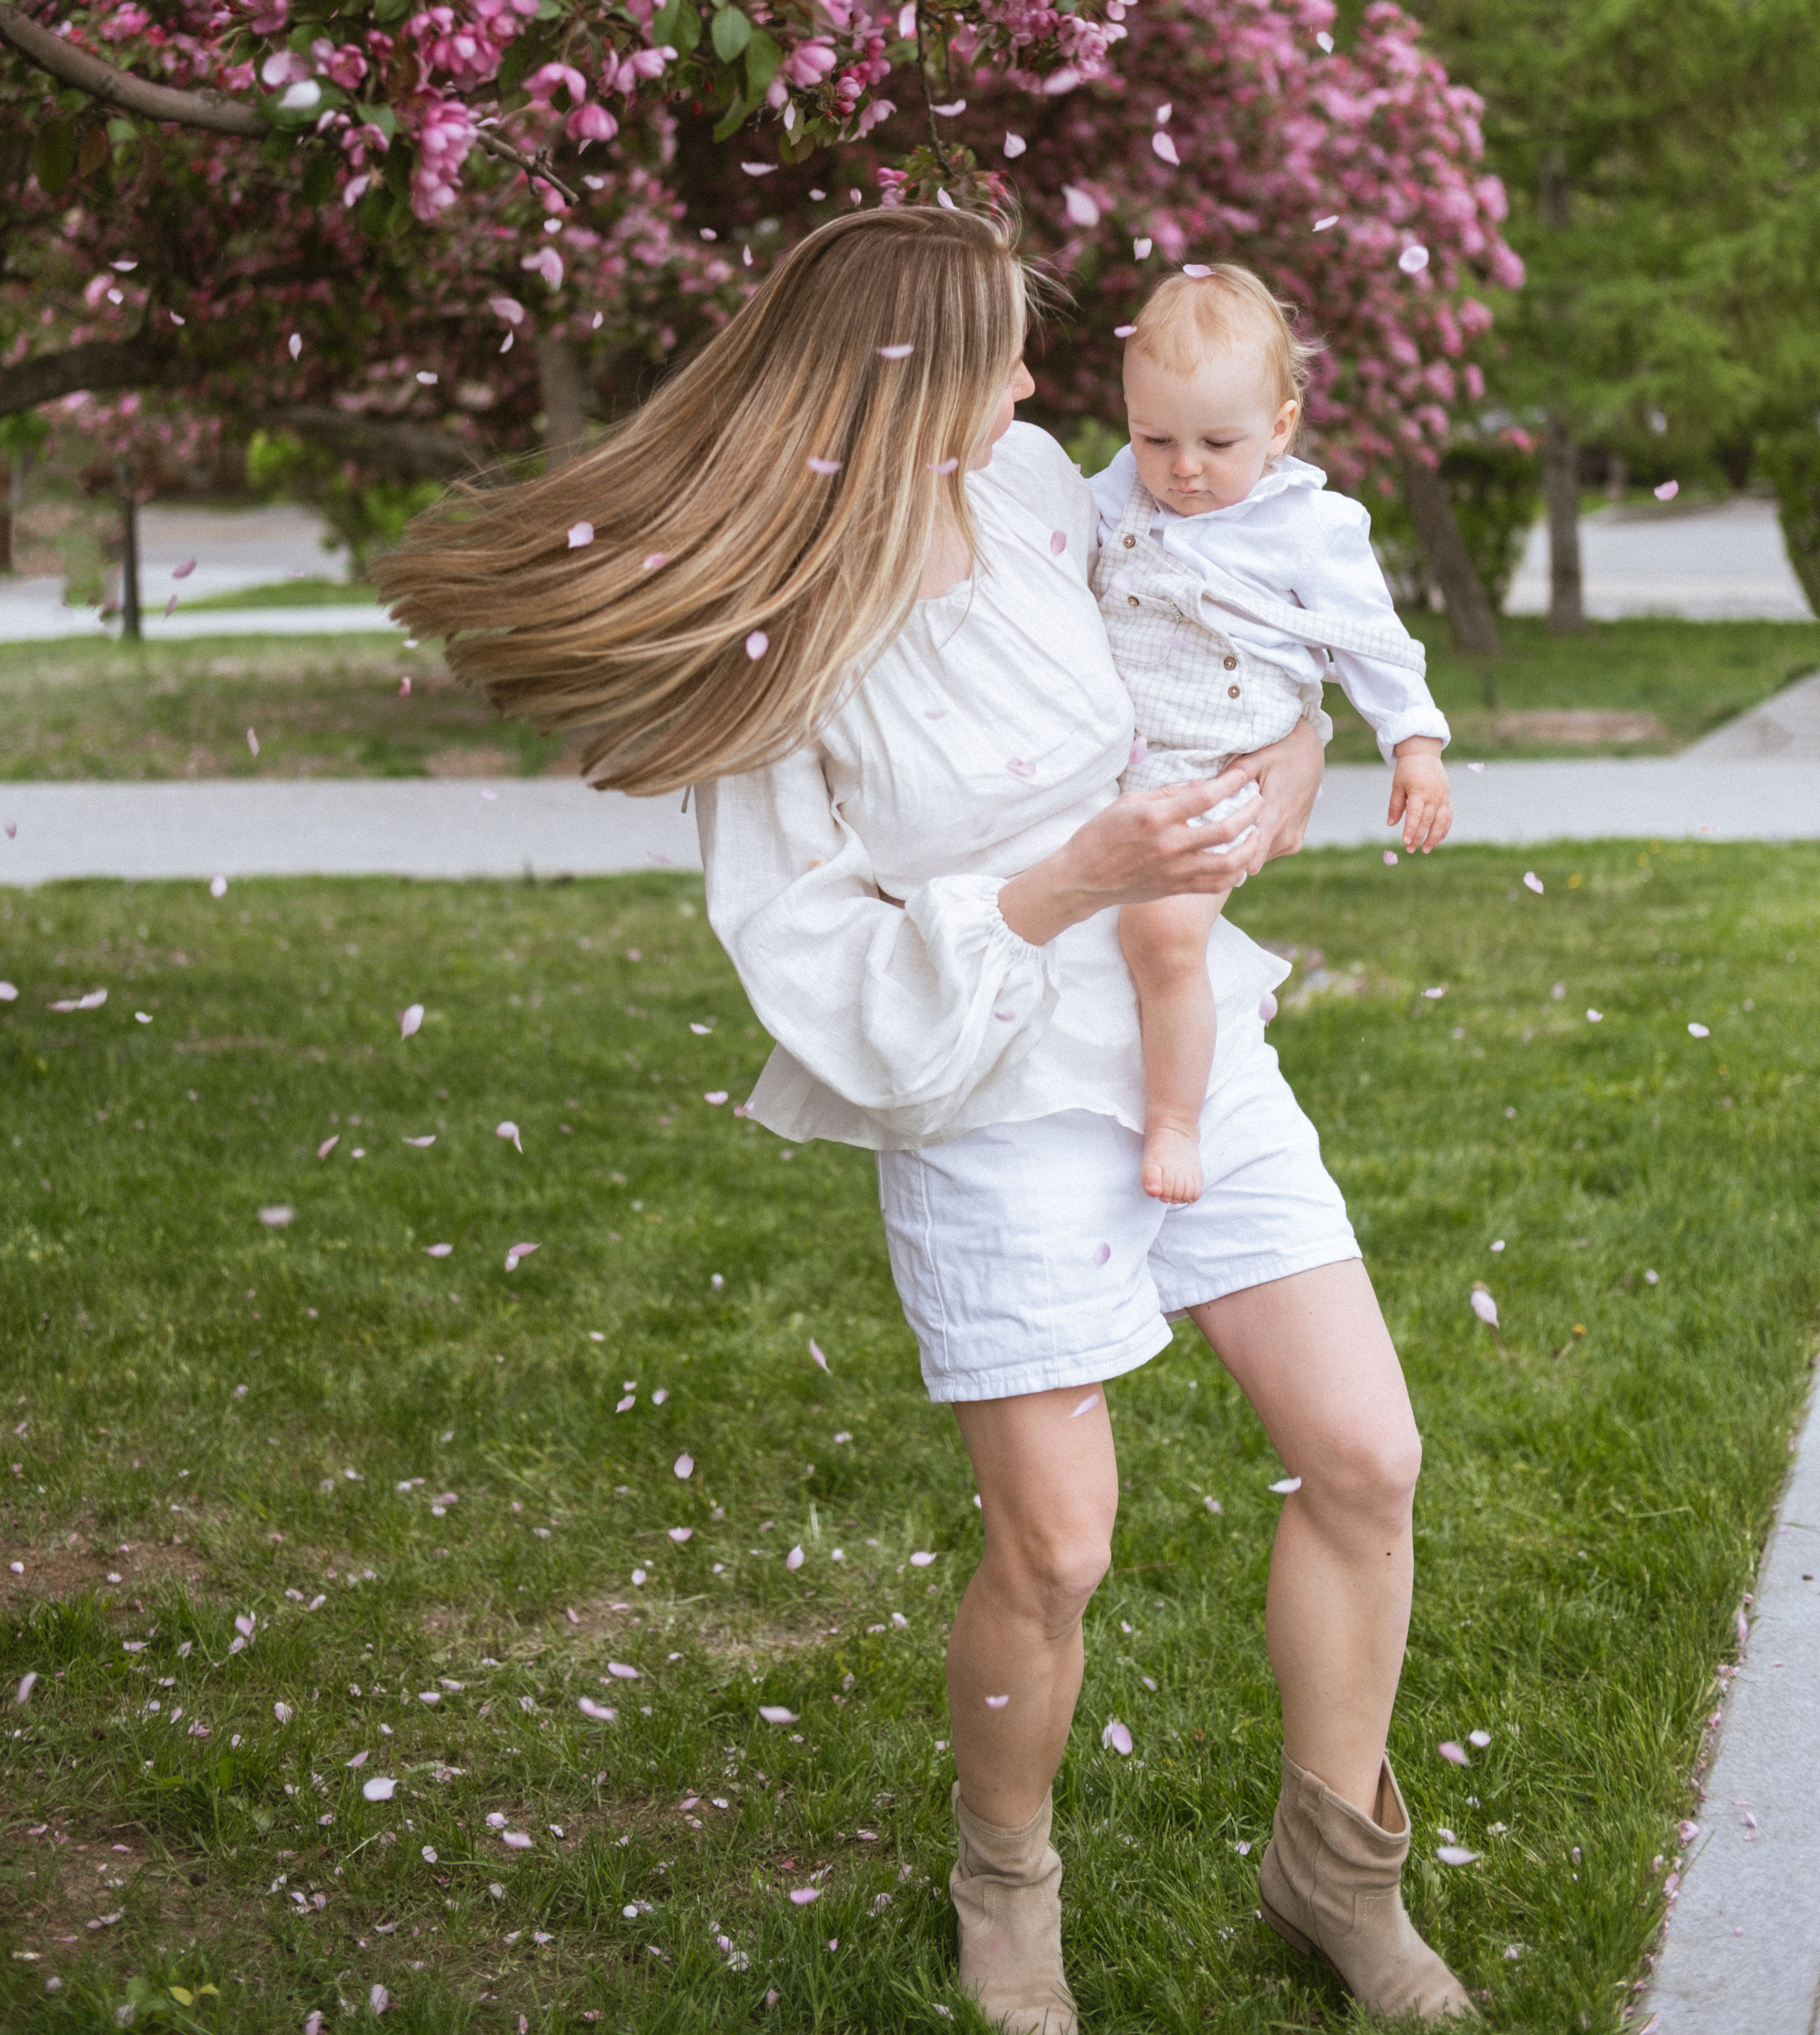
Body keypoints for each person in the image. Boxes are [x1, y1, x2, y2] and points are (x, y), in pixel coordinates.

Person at [377, 203, 1476, 2030]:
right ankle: (1005, 1883)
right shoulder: (772, 651)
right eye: (999, 358)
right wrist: (1069, 881)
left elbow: (1229, 634)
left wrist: (1289, 766)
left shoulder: (1040, 487)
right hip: (977, 1093)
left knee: (1365, 1459)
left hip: (1181, 1041)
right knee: (1058, 1548)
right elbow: (815, 962)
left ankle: (1335, 1871)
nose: (1043, 388)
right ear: (899, 385)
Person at [1092, 266, 1453, 1207]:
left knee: (1163, 934)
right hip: (1119, 757)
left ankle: (1175, 1118)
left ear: (1281, 428)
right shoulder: (1115, 494)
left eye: (1218, 442)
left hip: (1222, 770)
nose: (1181, 467)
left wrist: (1414, 745)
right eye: (1153, 436)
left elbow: (1371, 639)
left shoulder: (1308, 526)